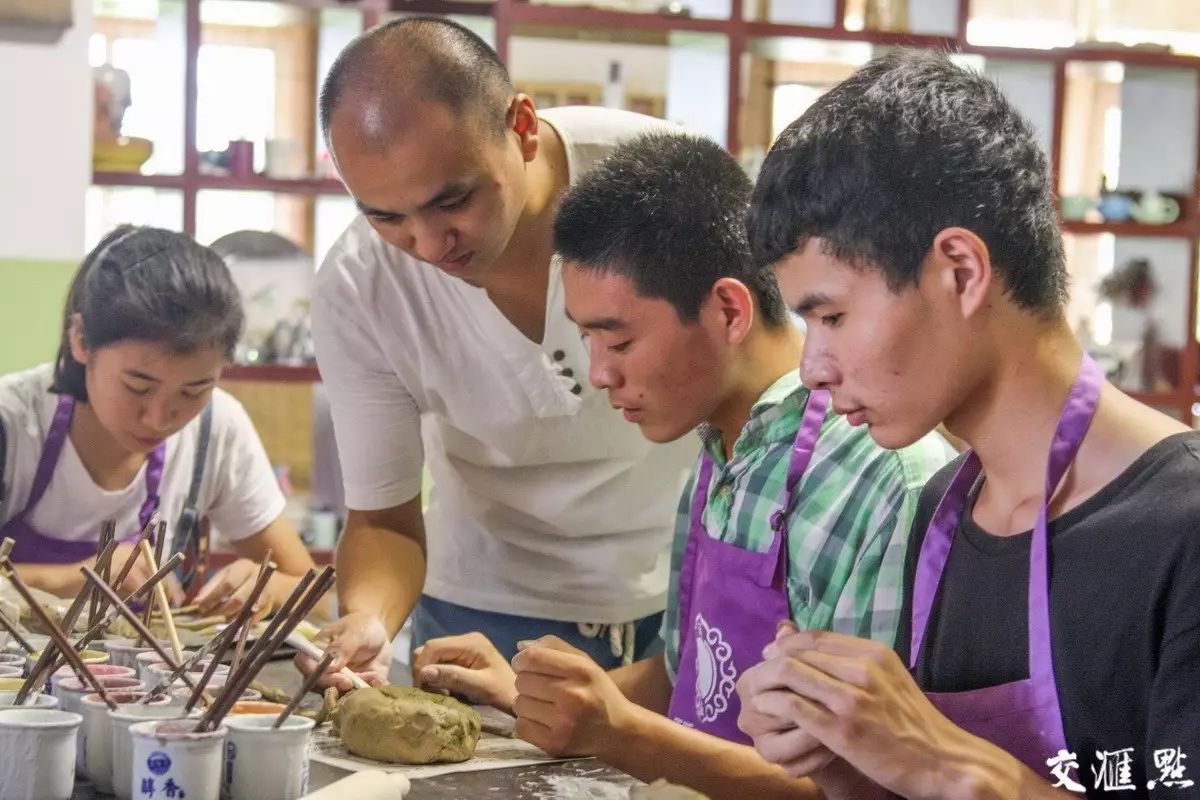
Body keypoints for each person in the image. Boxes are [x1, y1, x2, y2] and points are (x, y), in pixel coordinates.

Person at [412, 132, 951, 798]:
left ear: (728, 309)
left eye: (619, 339)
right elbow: (683, 675)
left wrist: (620, 733)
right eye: (585, 339)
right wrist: (541, 697)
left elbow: (860, 786)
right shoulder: (717, 454)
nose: (599, 375)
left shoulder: (879, 479)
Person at [737, 49, 1200, 799]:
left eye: (832, 315)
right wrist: (847, 759)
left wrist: (948, 764)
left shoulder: (1182, 529)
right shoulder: (942, 512)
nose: (812, 366)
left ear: (961, 270)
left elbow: (948, 776)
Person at [301, 17, 699, 688]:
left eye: (452, 199)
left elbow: (758, 398)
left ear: (520, 126)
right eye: (386, 217)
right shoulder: (359, 284)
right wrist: (368, 619)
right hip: (476, 615)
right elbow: (384, 518)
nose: (430, 246)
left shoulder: (662, 188)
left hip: (676, 604)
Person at [1, 225, 321, 620]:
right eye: (138, 385)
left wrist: (268, 586)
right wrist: (72, 579)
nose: (160, 418)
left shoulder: (216, 428)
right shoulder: (12, 424)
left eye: (193, 390)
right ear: (81, 340)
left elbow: (317, 597)